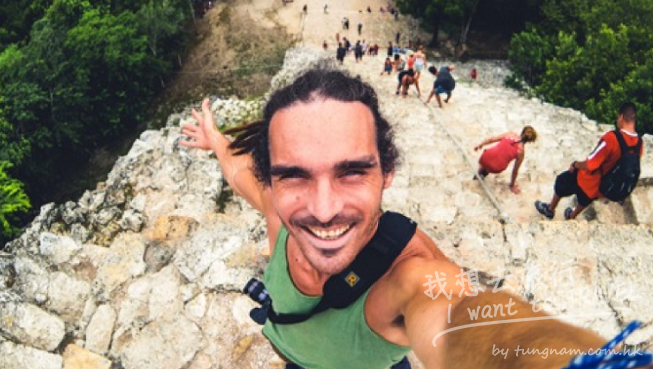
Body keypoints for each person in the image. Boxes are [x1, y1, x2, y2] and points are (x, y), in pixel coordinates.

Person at [180, 68, 649, 369]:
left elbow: (463, 318)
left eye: (351, 171)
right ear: (273, 179)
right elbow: (239, 172)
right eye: (294, 175)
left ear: (387, 172)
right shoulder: (276, 210)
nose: (322, 210)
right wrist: (215, 139)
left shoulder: (408, 276)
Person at [535, 102, 643, 220]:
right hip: (606, 186)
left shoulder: (611, 138)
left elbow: (591, 164)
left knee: (562, 181)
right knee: (585, 199)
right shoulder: (639, 143)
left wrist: (575, 164)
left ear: (621, 117)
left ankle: (550, 209)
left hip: (589, 179)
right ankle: (572, 216)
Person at [473, 126, 538, 194]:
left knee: (489, 157)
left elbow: (491, 139)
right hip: (496, 168)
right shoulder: (521, 152)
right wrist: (512, 185)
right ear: (530, 141)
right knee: (495, 163)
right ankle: (483, 173)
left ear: (522, 131)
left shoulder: (510, 134)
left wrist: (480, 145)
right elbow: (515, 171)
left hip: (484, 158)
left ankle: (479, 173)